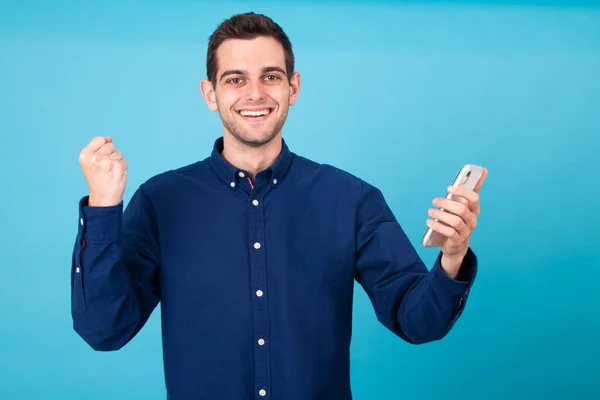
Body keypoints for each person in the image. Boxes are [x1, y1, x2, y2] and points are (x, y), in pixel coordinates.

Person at [71, 12, 487, 400]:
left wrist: (452, 258)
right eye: (235, 79)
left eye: (270, 76)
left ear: (293, 87)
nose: (254, 94)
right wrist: (103, 208)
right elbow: (105, 329)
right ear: (210, 93)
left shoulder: (351, 199)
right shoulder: (160, 201)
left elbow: (417, 320)